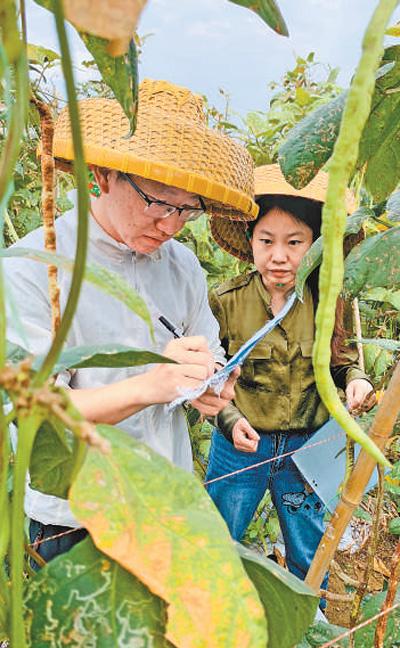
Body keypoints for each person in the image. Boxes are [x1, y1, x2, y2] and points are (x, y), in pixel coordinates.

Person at [5, 79, 258, 563]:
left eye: (187, 210)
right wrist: (151, 384)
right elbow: (35, 411)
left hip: (166, 500)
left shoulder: (181, 265)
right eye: (158, 203)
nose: (170, 225)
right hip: (76, 516)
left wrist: (210, 381)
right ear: (102, 175)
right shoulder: (33, 266)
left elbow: (209, 345)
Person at [206, 164, 375, 588]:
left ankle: (306, 621)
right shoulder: (226, 302)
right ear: (251, 242)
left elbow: (341, 358)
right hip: (241, 445)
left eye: (295, 242)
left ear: (315, 246)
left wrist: (355, 379)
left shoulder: (325, 300)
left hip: (306, 447)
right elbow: (208, 376)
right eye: (267, 241)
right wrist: (228, 420)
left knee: (308, 545)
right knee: (218, 539)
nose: (279, 255)